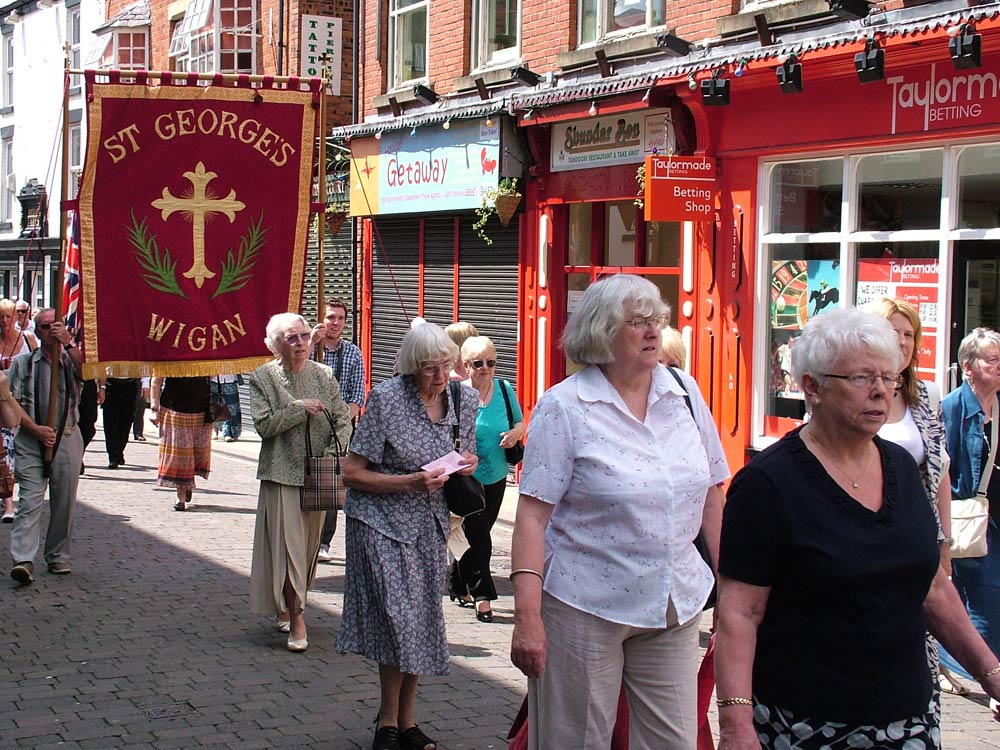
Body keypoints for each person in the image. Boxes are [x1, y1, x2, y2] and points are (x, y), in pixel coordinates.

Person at [715, 308, 1000, 750]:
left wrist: (990, 673)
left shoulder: (903, 468)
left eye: (888, 378)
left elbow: (933, 588)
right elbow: (739, 612)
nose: (881, 392)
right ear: (812, 386)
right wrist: (735, 724)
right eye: (863, 378)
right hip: (806, 722)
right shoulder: (768, 483)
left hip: (908, 716)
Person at [509, 274, 728, 749]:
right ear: (603, 331)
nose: (653, 332)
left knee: (674, 741)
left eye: (657, 320)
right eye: (638, 322)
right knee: (575, 740)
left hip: (674, 601)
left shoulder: (684, 391)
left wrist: (731, 589)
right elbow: (531, 516)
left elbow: (713, 491)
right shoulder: (565, 406)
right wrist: (527, 616)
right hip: (584, 604)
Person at [338, 322, 478, 750]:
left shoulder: (463, 398)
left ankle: (406, 722)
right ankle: (387, 722)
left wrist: (466, 462)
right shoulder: (387, 399)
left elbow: (466, 450)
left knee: (419, 621)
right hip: (380, 522)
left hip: (431, 526)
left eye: (445, 366)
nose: (438, 377)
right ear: (410, 367)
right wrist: (407, 484)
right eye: (428, 369)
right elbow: (350, 472)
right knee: (399, 620)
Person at [248, 313, 351, 652]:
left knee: (307, 552)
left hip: (319, 472)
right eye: (291, 338)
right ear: (275, 344)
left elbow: (342, 419)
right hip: (281, 473)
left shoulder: (324, 375)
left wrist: (329, 452)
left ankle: (289, 603)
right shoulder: (263, 378)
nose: (300, 344)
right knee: (288, 551)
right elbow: (264, 426)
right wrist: (298, 408)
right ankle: (297, 617)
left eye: (305, 336)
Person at [868, 298, 955, 698]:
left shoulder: (926, 394)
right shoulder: (854, 392)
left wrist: (945, 545)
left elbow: (939, 475)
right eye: (894, 332)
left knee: (920, 647)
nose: (903, 342)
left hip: (917, 539)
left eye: (909, 334)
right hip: (864, 535)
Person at [938, 327, 1000, 694]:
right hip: (968, 519)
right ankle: (988, 676)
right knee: (984, 597)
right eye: (992, 360)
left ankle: (946, 658)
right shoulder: (952, 408)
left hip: (995, 516)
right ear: (968, 367)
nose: (999, 366)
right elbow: (941, 469)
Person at [448, 335, 525, 623]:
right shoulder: (457, 394)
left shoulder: (504, 389)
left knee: (479, 533)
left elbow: (519, 421)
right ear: (466, 366)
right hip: (466, 478)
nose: (485, 368)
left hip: (496, 476)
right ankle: (483, 596)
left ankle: (456, 583)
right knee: (479, 536)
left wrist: (515, 434)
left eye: (490, 362)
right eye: (478, 363)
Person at [8, 309, 84, 584]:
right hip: (31, 440)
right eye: (44, 327)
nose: (50, 331)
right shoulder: (24, 363)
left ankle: (58, 556)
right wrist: (35, 430)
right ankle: (24, 559)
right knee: (29, 501)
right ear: (36, 331)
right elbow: (10, 401)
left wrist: (68, 341)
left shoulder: (70, 360)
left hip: (66, 437)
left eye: (56, 326)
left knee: (64, 503)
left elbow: (88, 371)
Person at [308, 298, 366, 563]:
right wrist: (310, 342)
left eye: (340, 318)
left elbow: (357, 395)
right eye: (331, 317)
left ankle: (323, 541)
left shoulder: (352, 353)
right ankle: (304, 536)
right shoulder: (308, 348)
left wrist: (342, 423)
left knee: (331, 486)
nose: (336, 323)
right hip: (308, 425)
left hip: (340, 427)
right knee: (306, 482)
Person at [149, 376, 212, 511]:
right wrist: (154, 408)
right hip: (174, 409)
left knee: (198, 453)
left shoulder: (205, 354)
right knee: (180, 454)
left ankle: (187, 482)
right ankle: (181, 496)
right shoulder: (168, 355)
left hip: (202, 409)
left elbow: (213, 375)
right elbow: (156, 380)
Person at [0, 298, 37, 519]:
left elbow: (39, 363)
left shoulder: (28, 338)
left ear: (17, 318)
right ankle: (9, 505)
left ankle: (26, 492)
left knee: (21, 447)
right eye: (0, 317)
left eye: (8, 316)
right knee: (5, 449)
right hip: (2, 401)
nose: (4, 321)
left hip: (24, 398)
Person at [101, 377, 140, 469]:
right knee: (110, 423)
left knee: (126, 422)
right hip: (111, 383)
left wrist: (145, 384)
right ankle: (113, 457)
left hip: (129, 384)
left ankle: (118, 451)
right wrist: (102, 387)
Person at [210, 374, 243, 442]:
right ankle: (214, 429)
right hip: (214, 378)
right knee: (215, 406)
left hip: (229, 378)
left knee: (231, 407)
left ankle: (227, 433)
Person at [133, 377, 149, 442]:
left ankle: (138, 432)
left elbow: (145, 367)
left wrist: (146, 384)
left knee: (140, 406)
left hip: (138, 380)